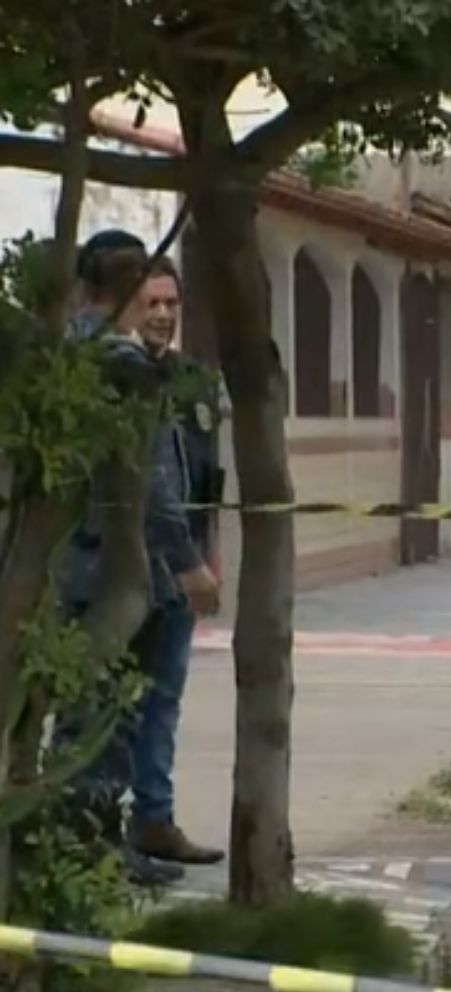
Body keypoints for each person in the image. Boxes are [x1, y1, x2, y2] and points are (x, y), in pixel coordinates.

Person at [55, 231, 223, 885]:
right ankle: (86, 845)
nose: (157, 314)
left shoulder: (77, 354)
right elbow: (149, 483)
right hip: (106, 569)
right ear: (123, 297)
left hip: (105, 565)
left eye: (170, 301)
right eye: (145, 298)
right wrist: (187, 562)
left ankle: (100, 838)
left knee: (113, 709)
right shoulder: (117, 363)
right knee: (101, 715)